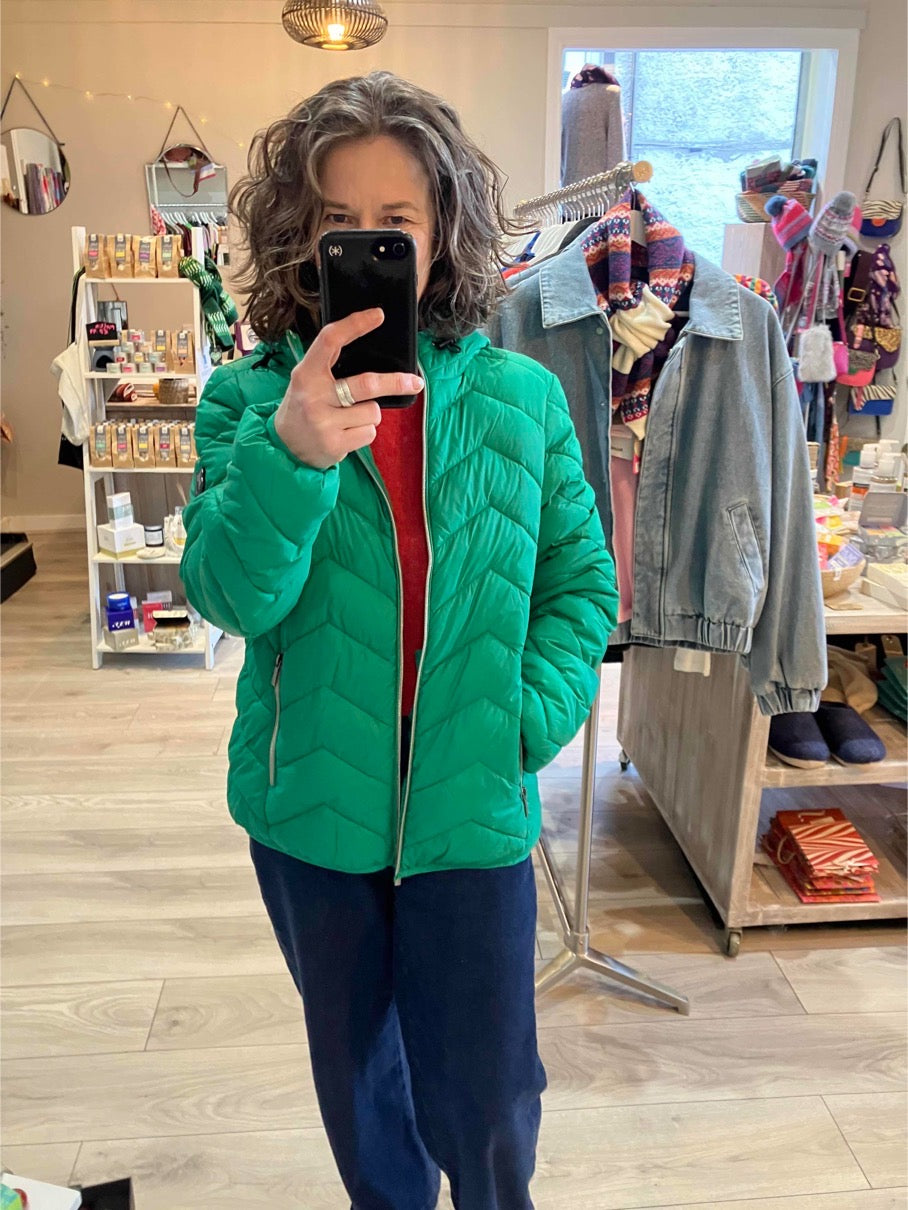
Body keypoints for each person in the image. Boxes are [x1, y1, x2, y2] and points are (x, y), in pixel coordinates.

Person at [181, 71, 618, 1210]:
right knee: (363, 1084)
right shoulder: (247, 402)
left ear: (442, 233)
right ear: (298, 233)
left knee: (489, 1094)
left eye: (396, 221)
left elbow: (581, 585)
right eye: (338, 220)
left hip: (471, 801)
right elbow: (229, 596)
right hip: (313, 810)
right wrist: (291, 456)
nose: (366, 242)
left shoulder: (523, 399)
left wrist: (521, 721)